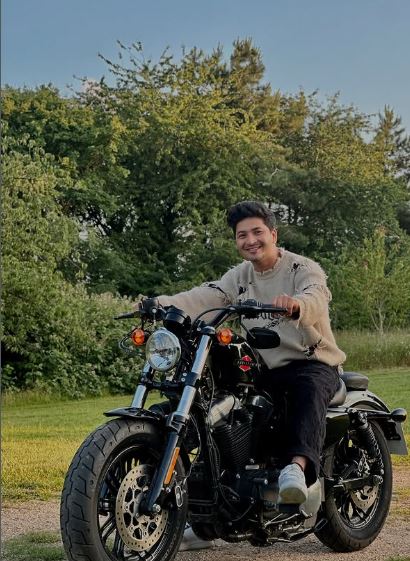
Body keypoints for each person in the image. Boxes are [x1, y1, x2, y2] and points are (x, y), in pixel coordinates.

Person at [141, 200, 346, 549]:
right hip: (265, 369)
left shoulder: (301, 268)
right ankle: (206, 519)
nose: (250, 240)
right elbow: (206, 296)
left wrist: (297, 304)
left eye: (257, 232)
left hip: (312, 363)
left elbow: (315, 295)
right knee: (219, 406)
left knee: (307, 390)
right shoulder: (240, 277)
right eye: (242, 235)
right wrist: (158, 304)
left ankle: (296, 470)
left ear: (273, 234)